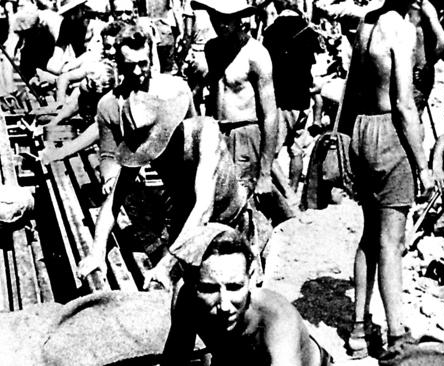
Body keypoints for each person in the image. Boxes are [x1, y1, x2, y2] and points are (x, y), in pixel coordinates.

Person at [82, 23, 269, 290]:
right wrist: (97, 252)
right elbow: (115, 198)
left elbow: (203, 209)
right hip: (188, 222)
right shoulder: (145, 129)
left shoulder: (207, 137)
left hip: (229, 224)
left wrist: (166, 266)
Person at [340, 0, 435, 358]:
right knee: (391, 243)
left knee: (370, 234)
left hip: (363, 128)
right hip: (391, 132)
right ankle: (396, 336)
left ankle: (358, 331)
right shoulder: (401, 29)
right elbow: (405, 104)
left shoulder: (365, 26)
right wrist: (423, 166)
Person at [162, 224, 333, 366]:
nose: (225, 306)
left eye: (234, 287)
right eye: (209, 289)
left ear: (251, 277)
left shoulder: (278, 320)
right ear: (192, 284)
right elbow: (175, 360)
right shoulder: (186, 297)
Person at [192, 0, 296, 225]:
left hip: (245, 135)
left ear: (239, 18)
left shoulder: (256, 54)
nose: (220, 24)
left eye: (226, 18)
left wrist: (266, 173)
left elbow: (270, 114)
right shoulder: (212, 49)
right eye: (214, 17)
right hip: (217, 133)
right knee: (214, 202)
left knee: (244, 207)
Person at [263, 0, 322, 193]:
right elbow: (313, 61)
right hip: (303, 100)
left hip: (282, 100)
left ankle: (285, 193)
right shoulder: (308, 31)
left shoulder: (271, 32)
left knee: (271, 152)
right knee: (297, 151)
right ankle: (295, 189)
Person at [407, 0, 444, 114]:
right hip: (408, 72)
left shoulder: (424, 6)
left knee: (412, 119)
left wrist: (426, 66)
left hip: (418, 74)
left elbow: (443, 42)